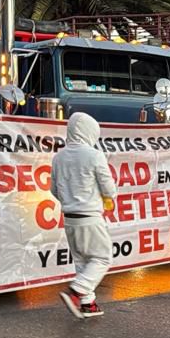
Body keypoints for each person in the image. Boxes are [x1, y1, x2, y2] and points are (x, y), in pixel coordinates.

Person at [52, 113, 117, 319]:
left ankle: (87, 304)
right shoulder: (94, 155)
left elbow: (54, 190)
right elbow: (108, 187)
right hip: (90, 216)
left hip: (69, 218)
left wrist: (69, 200)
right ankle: (76, 292)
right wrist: (107, 199)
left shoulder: (58, 157)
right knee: (102, 257)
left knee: (82, 261)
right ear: (90, 131)